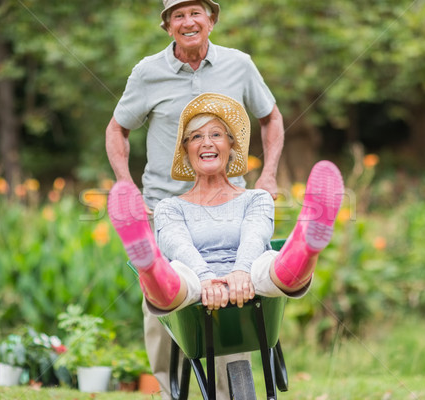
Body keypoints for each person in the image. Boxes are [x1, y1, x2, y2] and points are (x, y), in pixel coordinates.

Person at [105, 0, 284, 398]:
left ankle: (225, 390)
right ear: (167, 26)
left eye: (195, 13)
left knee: (231, 291)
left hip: (227, 207)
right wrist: (125, 185)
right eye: (178, 15)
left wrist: (268, 173)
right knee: (165, 304)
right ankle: (175, 392)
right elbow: (117, 129)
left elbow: (270, 116)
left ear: (211, 20)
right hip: (164, 206)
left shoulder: (238, 64)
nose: (188, 22)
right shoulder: (148, 73)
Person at [107, 94, 344, 394]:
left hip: (250, 277)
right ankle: (148, 262)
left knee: (267, 261)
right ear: (186, 150)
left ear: (231, 146)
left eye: (216, 134)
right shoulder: (170, 207)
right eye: (196, 137)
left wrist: (241, 271)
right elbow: (179, 245)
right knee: (178, 268)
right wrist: (207, 278)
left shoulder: (255, 198)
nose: (206, 142)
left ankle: (309, 242)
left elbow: (256, 236)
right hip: (195, 283)